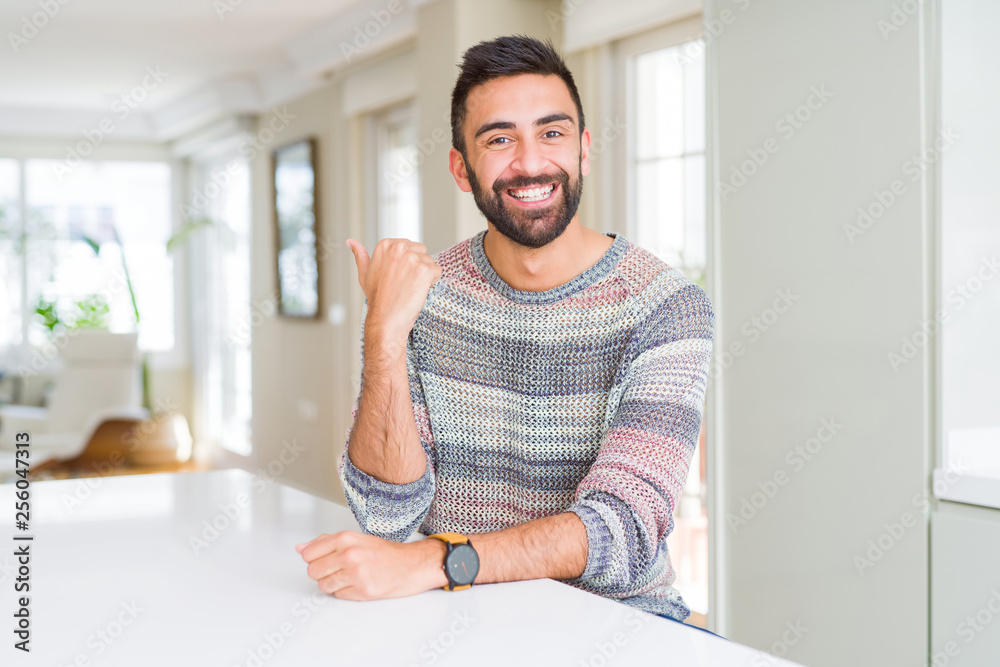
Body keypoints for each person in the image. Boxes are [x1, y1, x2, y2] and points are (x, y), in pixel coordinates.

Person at [296, 34, 715, 625]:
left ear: (583, 151)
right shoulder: (426, 297)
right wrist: (383, 333)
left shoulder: (664, 309)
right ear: (461, 169)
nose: (531, 162)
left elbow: (622, 532)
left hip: (616, 628)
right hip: (454, 622)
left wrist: (433, 565)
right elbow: (385, 516)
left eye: (552, 132)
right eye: (499, 139)